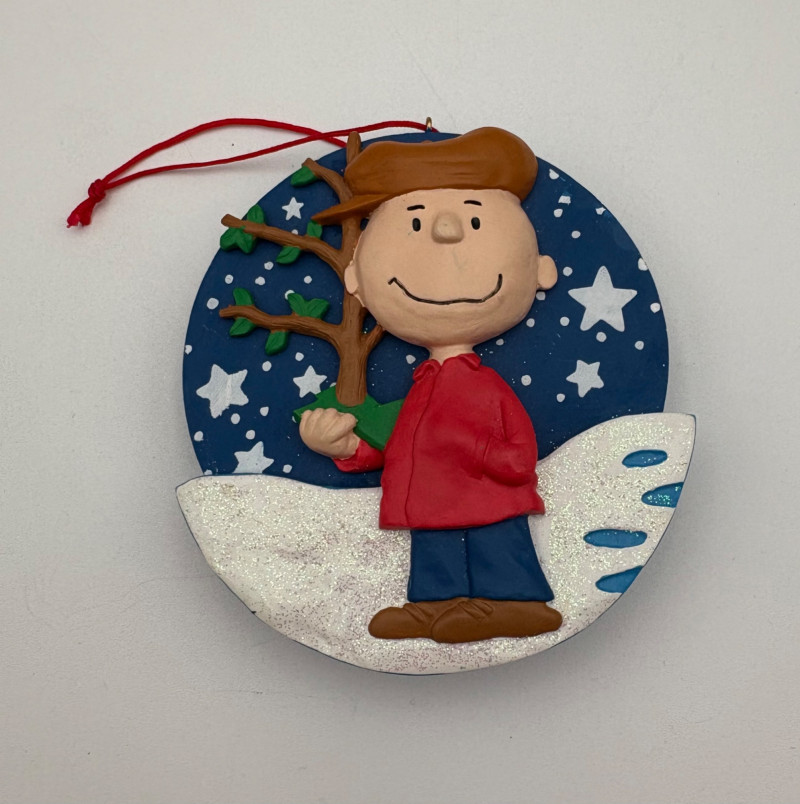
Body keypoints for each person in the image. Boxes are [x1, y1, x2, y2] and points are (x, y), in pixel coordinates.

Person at [299, 128, 562, 643]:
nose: (445, 232)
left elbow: (518, 451)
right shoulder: (422, 385)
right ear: (356, 279)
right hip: (428, 502)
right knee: (435, 551)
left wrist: (481, 453)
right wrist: (345, 448)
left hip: (487, 498)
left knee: (494, 544)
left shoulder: (486, 386)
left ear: (540, 272)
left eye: (475, 220)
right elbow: (396, 445)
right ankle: (434, 604)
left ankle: (516, 602)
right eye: (414, 222)